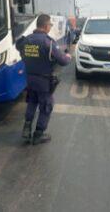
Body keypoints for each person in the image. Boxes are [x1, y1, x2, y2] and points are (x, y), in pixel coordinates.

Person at [16, 14, 71, 145]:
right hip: (44, 81)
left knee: (32, 102)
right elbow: (63, 61)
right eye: (50, 25)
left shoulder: (26, 40)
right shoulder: (48, 42)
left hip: (29, 79)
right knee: (46, 106)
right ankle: (38, 134)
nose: (50, 27)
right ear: (46, 26)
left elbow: (19, 48)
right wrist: (68, 56)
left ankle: (27, 129)